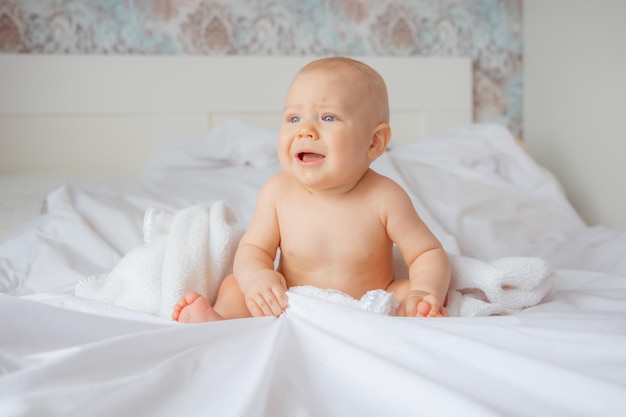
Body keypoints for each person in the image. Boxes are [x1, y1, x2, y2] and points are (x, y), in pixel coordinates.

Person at [172, 56, 450, 323]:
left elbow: (426, 252)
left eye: (328, 118)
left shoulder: (385, 197)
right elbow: (254, 249)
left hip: (366, 302)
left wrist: (424, 291)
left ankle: (421, 313)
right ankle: (222, 320)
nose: (305, 131)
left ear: (374, 142)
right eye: (294, 119)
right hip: (288, 301)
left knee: (405, 293)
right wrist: (258, 277)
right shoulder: (278, 192)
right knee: (236, 285)